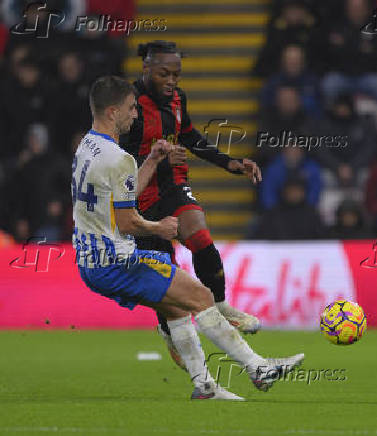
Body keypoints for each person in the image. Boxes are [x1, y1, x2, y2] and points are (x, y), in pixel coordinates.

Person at [73, 75, 304, 400]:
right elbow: (126, 222)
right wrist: (160, 228)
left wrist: (152, 160)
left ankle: (205, 386)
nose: (135, 115)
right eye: (129, 109)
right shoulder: (119, 158)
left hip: (91, 261)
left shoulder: (88, 146)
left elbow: (121, 195)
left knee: (177, 308)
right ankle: (258, 368)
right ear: (112, 112)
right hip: (117, 261)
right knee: (201, 297)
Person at [119, 41, 262, 369]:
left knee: (200, 235)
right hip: (137, 196)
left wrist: (230, 163)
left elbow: (190, 136)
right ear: (146, 69)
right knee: (164, 276)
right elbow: (118, 158)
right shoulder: (128, 104)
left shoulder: (177, 98)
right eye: (164, 74)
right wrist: (156, 155)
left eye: (177, 75)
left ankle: (222, 306)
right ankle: (170, 332)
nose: (171, 81)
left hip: (172, 186)